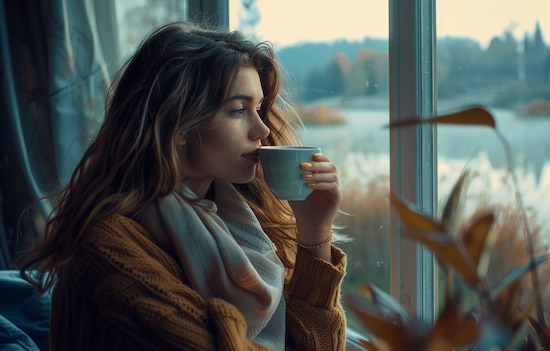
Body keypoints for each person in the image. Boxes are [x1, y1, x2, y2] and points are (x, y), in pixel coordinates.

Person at [19, 21, 346, 351]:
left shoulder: (239, 225)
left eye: (259, 108)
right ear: (177, 124)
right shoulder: (106, 248)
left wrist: (314, 231)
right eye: (238, 110)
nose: (262, 129)